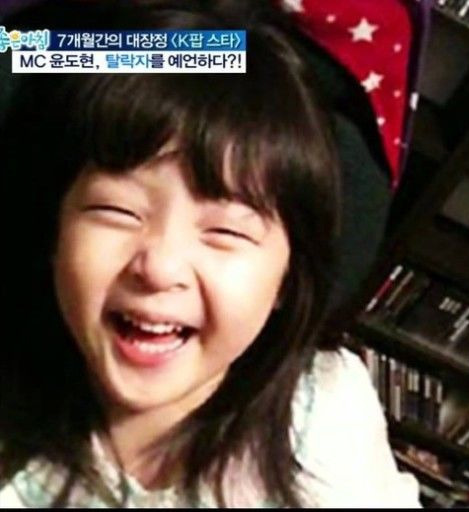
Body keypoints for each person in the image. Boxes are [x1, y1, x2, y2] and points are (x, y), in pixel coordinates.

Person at [0, 0, 421, 507]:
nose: (159, 267)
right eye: (117, 210)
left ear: (289, 277)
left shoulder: (325, 417)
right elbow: (19, 49)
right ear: (54, 234)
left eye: (225, 231)